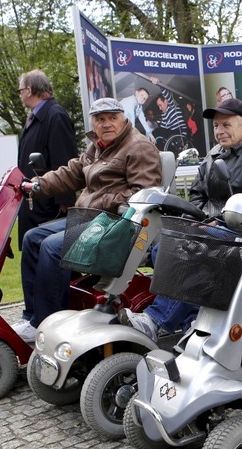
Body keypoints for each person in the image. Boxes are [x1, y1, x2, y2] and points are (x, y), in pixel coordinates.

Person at [119, 97, 242, 340]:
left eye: (227, 124)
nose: (220, 131)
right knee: (164, 243)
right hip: (214, 225)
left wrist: (223, 221)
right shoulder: (215, 154)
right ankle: (188, 320)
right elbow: (196, 193)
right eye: (216, 126)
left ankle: (156, 320)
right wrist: (199, 219)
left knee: (193, 249)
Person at [13, 98, 161, 342]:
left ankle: (47, 323)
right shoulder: (97, 147)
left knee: (51, 247)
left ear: (123, 119)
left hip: (118, 225)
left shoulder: (139, 148)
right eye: (100, 119)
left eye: (112, 117)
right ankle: (31, 317)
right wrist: (36, 185)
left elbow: (144, 194)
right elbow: (71, 173)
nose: (106, 124)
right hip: (92, 219)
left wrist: (103, 200)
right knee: (32, 238)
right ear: (93, 122)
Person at [16, 70, 79, 246]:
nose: (20, 95)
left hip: (49, 205)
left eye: (20, 90)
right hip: (35, 200)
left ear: (29, 90)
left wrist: (65, 200)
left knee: (48, 254)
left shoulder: (55, 115)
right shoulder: (36, 117)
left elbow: (65, 158)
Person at [150, 77, 190, 147]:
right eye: (158, 106)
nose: (160, 108)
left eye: (160, 105)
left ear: (165, 102)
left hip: (179, 132)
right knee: (156, 133)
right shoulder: (164, 115)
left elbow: (167, 94)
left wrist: (159, 83)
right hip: (172, 135)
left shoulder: (173, 106)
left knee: (157, 131)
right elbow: (163, 128)